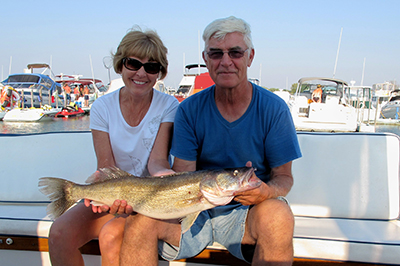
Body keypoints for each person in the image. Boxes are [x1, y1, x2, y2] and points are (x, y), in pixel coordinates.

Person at [119, 16, 302, 265]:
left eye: (235, 53)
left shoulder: (274, 109)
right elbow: (183, 175)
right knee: (139, 223)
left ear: (250, 57)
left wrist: (266, 192)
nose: (226, 62)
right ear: (206, 60)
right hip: (194, 212)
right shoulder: (189, 109)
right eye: (216, 54)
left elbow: (284, 177)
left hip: (246, 214)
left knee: (279, 215)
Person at [47, 28, 179, 266]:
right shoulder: (101, 107)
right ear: (120, 65)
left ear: (159, 73)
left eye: (151, 67)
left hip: (151, 199)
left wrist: (174, 181)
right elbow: (105, 165)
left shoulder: (168, 105)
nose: (141, 73)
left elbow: (157, 162)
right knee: (58, 234)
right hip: (114, 193)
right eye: (133, 63)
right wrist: (104, 193)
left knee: (111, 236)